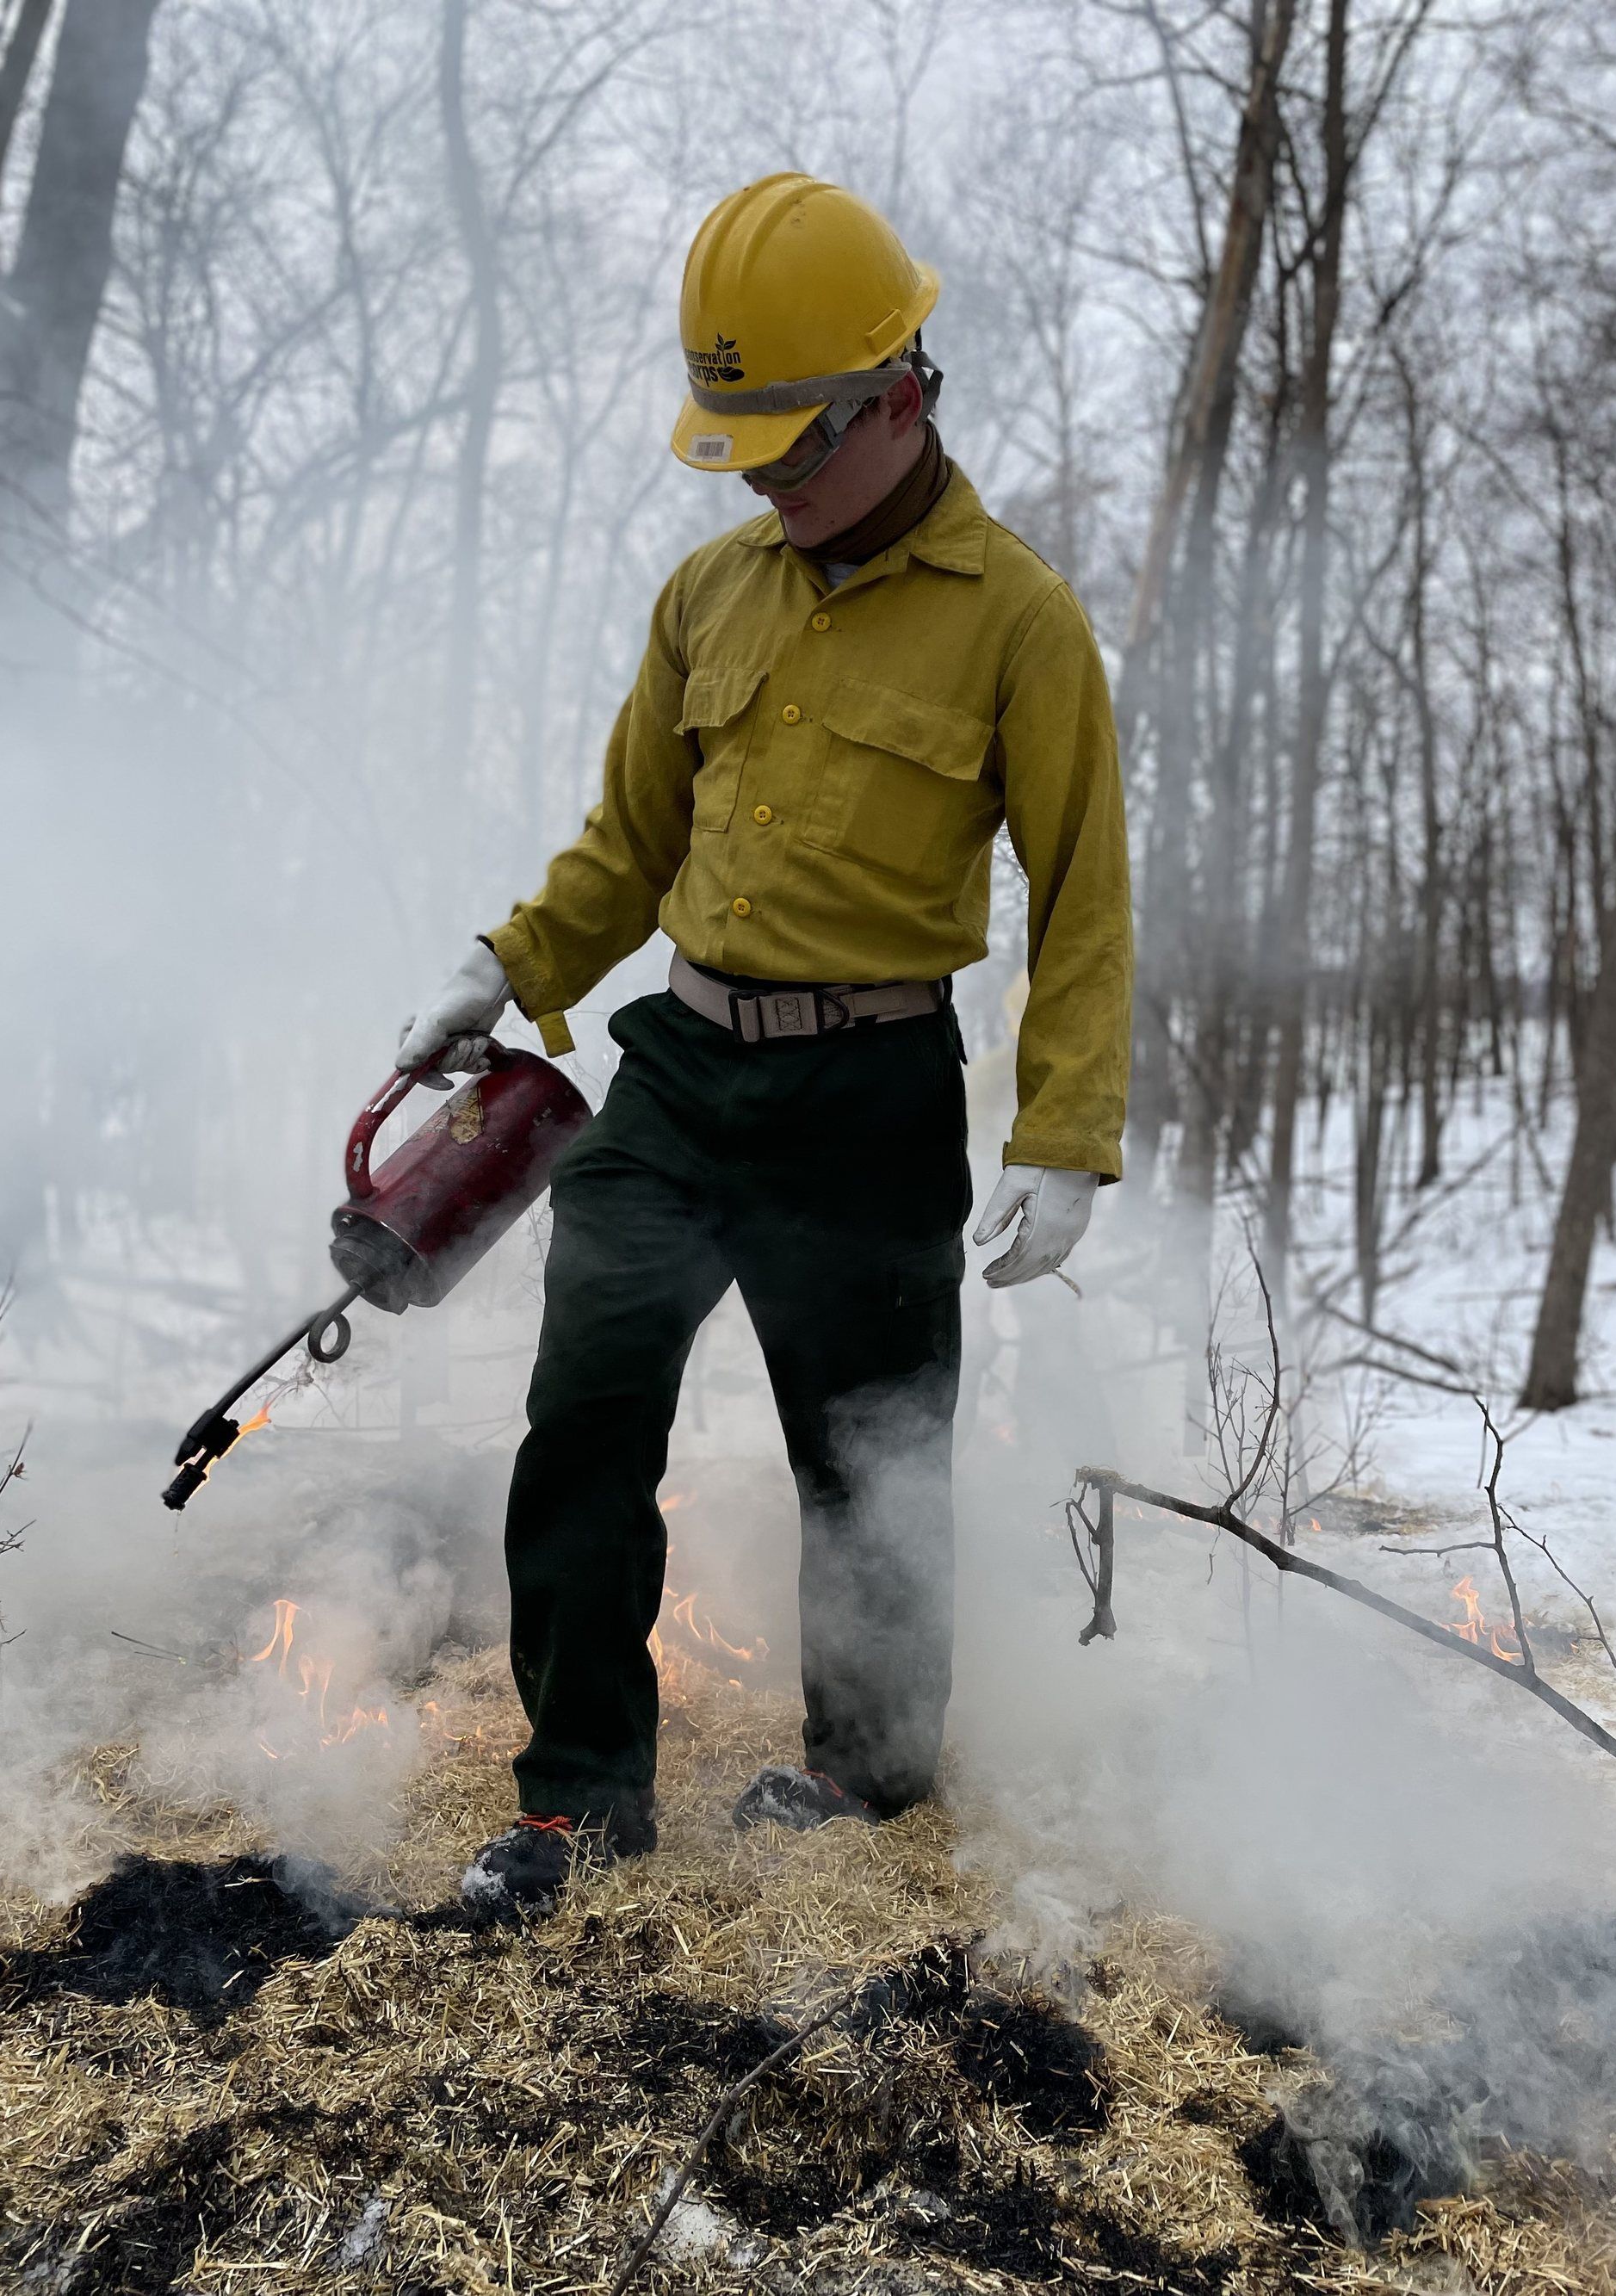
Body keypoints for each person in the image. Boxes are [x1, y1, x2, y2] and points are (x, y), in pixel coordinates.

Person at [397, 174, 1131, 1915]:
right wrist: (504, 966)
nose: (770, 486)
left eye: (795, 448)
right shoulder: (706, 597)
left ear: (900, 396)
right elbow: (625, 846)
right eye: (742, 452)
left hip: (867, 1096)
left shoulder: (1018, 620)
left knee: (869, 1459)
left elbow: (1085, 894)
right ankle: (579, 1793)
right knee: (583, 1413)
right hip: (676, 1072)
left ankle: (864, 1783)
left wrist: (1063, 1131)